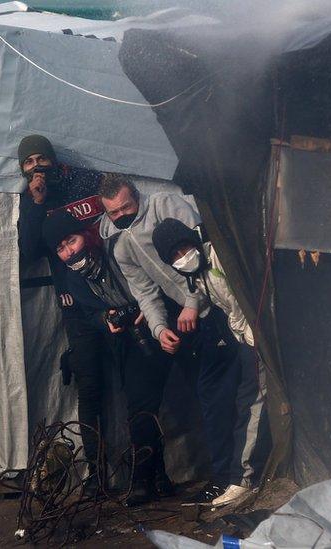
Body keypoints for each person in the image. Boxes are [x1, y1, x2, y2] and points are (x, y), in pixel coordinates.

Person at [97, 174, 249, 507]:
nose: (122, 215)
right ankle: (229, 475)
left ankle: (237, 475)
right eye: (114, 213)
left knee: (232, 389)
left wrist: (192, 302)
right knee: (213, 394)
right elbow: (146, 293)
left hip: (220, 302)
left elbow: (204, 251)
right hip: (196, 318)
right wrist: (158, 329)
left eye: (127, 207)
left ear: (137, 197)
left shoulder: (165, 204)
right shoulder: (120, 244)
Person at [41, 209, 174, 506]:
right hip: (128, 338)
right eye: (60, 248)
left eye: (71, 241)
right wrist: (106, 318)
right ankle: (145, 477)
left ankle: (152, 476)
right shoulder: (73, 280)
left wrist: (145, 306)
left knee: (157, 399)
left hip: (161, 319)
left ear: (85, 234)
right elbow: (89, 314)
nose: (69, 251)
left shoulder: (117, 249)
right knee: (138, 404)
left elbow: (156, 279)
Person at [15, 135, 112, 492]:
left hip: (113, 296)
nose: (37, 166)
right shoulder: (32, 200)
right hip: (75, 307)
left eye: (42, 159)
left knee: (133, 383)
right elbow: (30, 251)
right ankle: (97, 477)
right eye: (28, 162)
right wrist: (37, 202)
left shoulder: (83, 181)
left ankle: (144, 471)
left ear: (54, 160)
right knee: (89, 389)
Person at [152, 218, 266, 507]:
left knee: (249, 402)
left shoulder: (218, 255)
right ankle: (235, 477)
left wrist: (253, 341)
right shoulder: (197, 276)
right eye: (174, 256)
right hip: (244, 338)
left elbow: (246, 297)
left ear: (194, 241)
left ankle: (244, 480)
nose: (182, 257)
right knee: (239, 401)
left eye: (185, 248)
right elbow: (220, 305)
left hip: (258, 337)